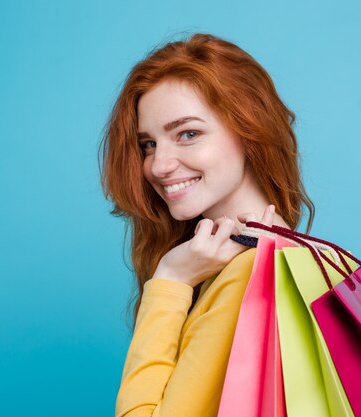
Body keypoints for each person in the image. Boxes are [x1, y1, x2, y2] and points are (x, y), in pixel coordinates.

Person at [99, 33, 315, 417]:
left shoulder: (247, 275)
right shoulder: (302, 260)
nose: (159, 165)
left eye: (188, 134)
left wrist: (170, 281)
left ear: (249, 131)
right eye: (148, 144)